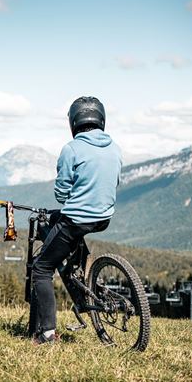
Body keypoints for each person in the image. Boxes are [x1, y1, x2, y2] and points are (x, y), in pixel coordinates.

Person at [31, 96, 122, 344]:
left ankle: (47, 333)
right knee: (69, 226)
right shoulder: (115, 148)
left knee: (41, 268)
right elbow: (114, 182)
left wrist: (75, 197)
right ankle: (79, 271)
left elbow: (61, 193)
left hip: (78, 219)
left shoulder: (71, 149)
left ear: (74, 121)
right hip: (104, 217)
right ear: (101, 120)